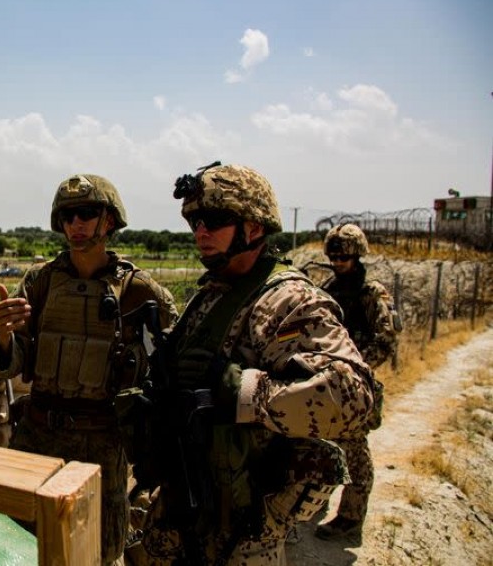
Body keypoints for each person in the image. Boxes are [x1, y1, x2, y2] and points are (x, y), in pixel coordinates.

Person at [135, 162, 376, 565]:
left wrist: (249, 393)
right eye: (195, 221)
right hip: (183, 497)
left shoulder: (289, 300)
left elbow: (353, 397)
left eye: (215, 220)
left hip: (245, 524)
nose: (201, 232)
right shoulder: (212, 292)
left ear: (255, 228)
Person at [0, 174, 177, 565]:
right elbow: (12, 362)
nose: (76, 224)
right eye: (68, 215)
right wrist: (4, 335)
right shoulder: (40, 282)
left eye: (86, 213)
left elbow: (168, 371)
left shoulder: (141, 291)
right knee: (17, 543)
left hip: (101, 444)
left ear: (108, 220)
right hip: (38, 433)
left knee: (96, 552)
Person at [315, 223, 399, 540]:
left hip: (355, 381)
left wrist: (356, 366)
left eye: (344, 258)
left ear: (357, 255)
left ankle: (350, 518)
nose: (338, 263)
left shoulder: (372, 293)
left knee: (355, 451)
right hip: (325, 379)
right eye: (333, 257)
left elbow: (387, 340)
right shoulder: (329, 288)